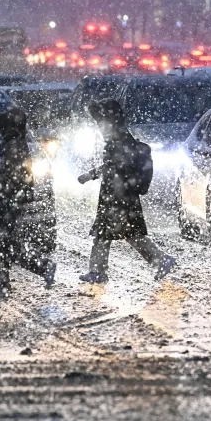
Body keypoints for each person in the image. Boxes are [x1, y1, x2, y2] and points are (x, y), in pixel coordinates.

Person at [78, 99, 176, 283]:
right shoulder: (120, 138)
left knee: (114, 234)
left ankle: (160, 260)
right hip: (119, 195)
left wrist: (91, 175)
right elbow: (113, 166)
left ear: (109, 120)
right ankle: (159, 260)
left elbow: (113, 167)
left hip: (118, 196)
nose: (99, 127)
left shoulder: (119, 141)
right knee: (119, 234)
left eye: (101, 122)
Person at [0, 108, 57, 299]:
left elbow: (17, 175)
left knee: (2, 245)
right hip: (11, 200)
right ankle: (10, 281)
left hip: (11, 201)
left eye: (1, 128)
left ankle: (9, 282)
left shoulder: (14, 147)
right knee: (6, 245)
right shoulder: (15, 144)